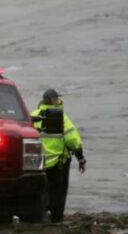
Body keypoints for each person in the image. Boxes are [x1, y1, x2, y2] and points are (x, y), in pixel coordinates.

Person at [30, 88, 86, 223]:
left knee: (39, 192)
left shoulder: (33, 115)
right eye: (57, 98)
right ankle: (56, 219)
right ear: (53, 100)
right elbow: (73, 141)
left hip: (36, 164)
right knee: (59, 194)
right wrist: (81, 158)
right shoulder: (62, 117)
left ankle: (37, 216)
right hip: (58, 164)